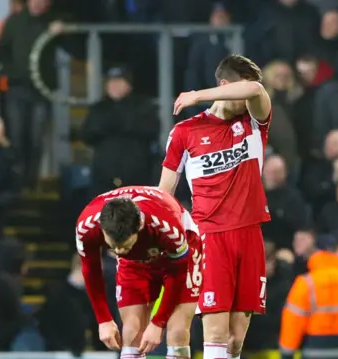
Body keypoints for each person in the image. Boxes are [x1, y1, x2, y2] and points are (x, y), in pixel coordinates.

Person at [160, 54, 272, 359]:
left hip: (250, 235)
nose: (248, 92)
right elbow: (165, 193)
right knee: (217, 335)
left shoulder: (253, 122)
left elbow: (257, 92)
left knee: (235, 341)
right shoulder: (185, 133)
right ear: (225, 85)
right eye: (241, 85)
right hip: (210, 236)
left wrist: (197, 95)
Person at [76, 185, 201, 359]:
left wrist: (158, 323)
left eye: (125, 245)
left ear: (140, 226)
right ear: (102, 228)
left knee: (177, 331)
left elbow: (177, 274)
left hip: (178, 252)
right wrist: (103, 320)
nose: (119, 251)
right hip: (135, 261)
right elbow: (91, 270)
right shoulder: (86, 227)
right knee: (131, 333)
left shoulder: (168, 226)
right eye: (113, 248)